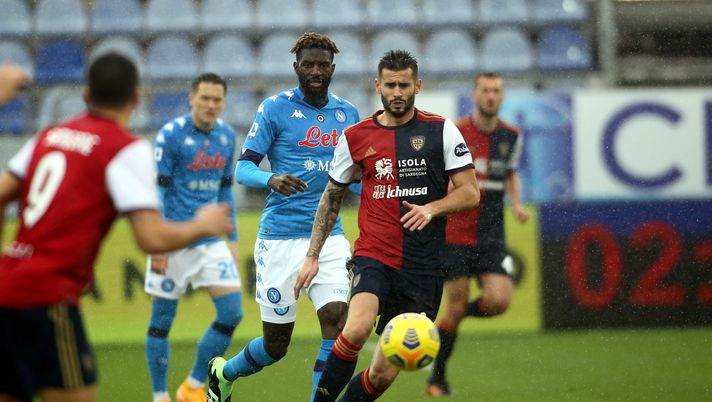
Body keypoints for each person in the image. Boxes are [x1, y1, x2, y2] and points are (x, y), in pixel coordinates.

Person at [0, 53, 233, 402]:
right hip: (48, 298)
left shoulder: (49, 136)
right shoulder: (123, 149)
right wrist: (202, 225)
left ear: (86, 95)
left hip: (6, 288)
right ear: (137, 98)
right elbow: (150, 237)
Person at [299, 49, 479, 402]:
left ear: (418, 86)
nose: (398, 92)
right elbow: (331, 199)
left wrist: (433, 208)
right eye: (391, 85)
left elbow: (470, 193)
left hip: (423, 266)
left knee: (381, 374)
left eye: (405, 85)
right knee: (356, 329)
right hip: (374, 255)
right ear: (378, 85)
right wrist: (312, 255)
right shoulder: (355, 136)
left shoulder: (441, 130)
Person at [206, 32, 360, 402]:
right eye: (308, 64)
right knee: (276, 345)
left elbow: (355, 180)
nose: (316, 70)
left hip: (329, 237)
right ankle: (223, 374)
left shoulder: (348, 114)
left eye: (323, 64)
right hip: (279, 238)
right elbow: (242, 170)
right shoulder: (274, 108)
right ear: (296, 67)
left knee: (338, 323)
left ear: (333, 68)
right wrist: (270, 178)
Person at [425, 72, 529, 397]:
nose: (491, 96)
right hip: (455, 233)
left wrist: (517, 204)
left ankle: (446, 327)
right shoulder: (456, 132)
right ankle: (436, 380)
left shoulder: (511, 135)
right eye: (485, 90)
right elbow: (441, 176)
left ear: (502, 96)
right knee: (453, 306)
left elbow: (509, 174)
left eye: (497, 90)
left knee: (499, 301)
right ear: (475, 95)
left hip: (491, 235)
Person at [143, 73, 242, 402]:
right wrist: (157, 240)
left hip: (211, 241)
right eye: (205, 98)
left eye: (217, 100)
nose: (211, 105)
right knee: (162, 321)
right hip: (172, 238)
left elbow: (226, 189)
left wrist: (232, 237)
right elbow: (158, 188)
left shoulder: (227, 136)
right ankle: (160, 396)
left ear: (223, 102)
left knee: (232, 313)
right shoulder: (170, 135)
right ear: (191, 99)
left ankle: (194, 385)